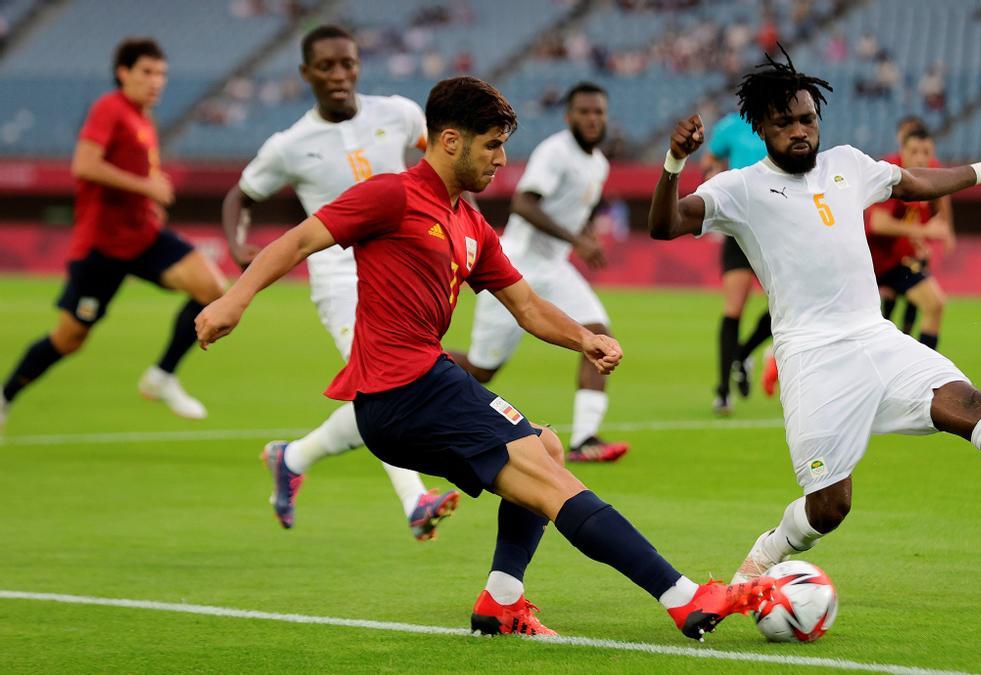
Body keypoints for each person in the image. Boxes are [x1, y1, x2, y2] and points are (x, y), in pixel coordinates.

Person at [196, 75, 772, 640]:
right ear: (451, 141)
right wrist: (233, 299)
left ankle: (500, 602)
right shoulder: (391, 194)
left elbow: (525, 305)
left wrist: (583, 338)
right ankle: (683, 597)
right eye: (492, 144)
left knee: (544, 444)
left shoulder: (471, 223)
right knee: (551, 480)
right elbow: (298, 240)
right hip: (408, 390)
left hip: (416, 391)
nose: (501, 159)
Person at [646, 50, 981, 585]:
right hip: (813, 360)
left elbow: (910, 182)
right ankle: (761, 559)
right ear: (761, 127)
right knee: (828, 508)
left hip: (878, 339)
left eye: (807, 119)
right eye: (785, 123)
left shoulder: (846, 163)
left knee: (971, 405)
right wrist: (674, 163)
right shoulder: (740, 189)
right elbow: (665, 225)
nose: (800, 131)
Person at [221, 25, 456, 536]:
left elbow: (443, 167)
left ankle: (293, 458)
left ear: (358, 65)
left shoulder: (398, 113)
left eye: (347, 63)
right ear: (305, 74)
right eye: (326, 66)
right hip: (339, 278)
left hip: (405, 271)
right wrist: (238, 244)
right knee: (385, 383)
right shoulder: (289, 145)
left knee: (387, 388)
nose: (339, 74)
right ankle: (415, 500)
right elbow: (240, 195)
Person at [1, 37, 223, 431]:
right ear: (123, 72)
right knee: (70, 338)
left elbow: (135, 171)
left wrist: (149, 193)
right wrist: (147, 187)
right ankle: (5, 397)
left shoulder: (144, 118)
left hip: (144, 237)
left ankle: (161, 376)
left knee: (212, 289)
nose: (156, 81)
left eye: (162, 74)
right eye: (147, 72)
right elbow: (84, 165)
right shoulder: (110, 108)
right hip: (102, 247)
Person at [447, 82, 628, 463]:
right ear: (569, 116)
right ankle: (412, 368)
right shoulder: (555, 152)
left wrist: (585, 235)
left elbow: (579, 208)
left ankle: (584, 440)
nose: (593, 119)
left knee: (599, 337)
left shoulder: (599, 163)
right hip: (517, 264)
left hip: (554, 267)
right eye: (584, 112)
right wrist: (575, 239)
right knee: (482, 369)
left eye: (599, 112)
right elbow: (524, 204)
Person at [700, 111, 775, 414]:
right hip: (740, 225)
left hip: (774, 226)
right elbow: (710, 160)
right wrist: (712, 175)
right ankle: (722, 390)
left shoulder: (784, 122)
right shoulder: (731, 125)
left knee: (782, 306)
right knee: (733, 309)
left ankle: (743, 353)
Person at [867, 127, 950, 350]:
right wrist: (926, 232)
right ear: (902, 151)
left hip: (893, 263)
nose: (921, 158)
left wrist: (919, 244)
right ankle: (777, 361)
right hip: (864, 262)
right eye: (914, 151)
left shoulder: (919, 182)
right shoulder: (890, 177)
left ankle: (927, 372)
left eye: (926, 152)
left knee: (935, 305)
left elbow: (907, 223)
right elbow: (878, 223)